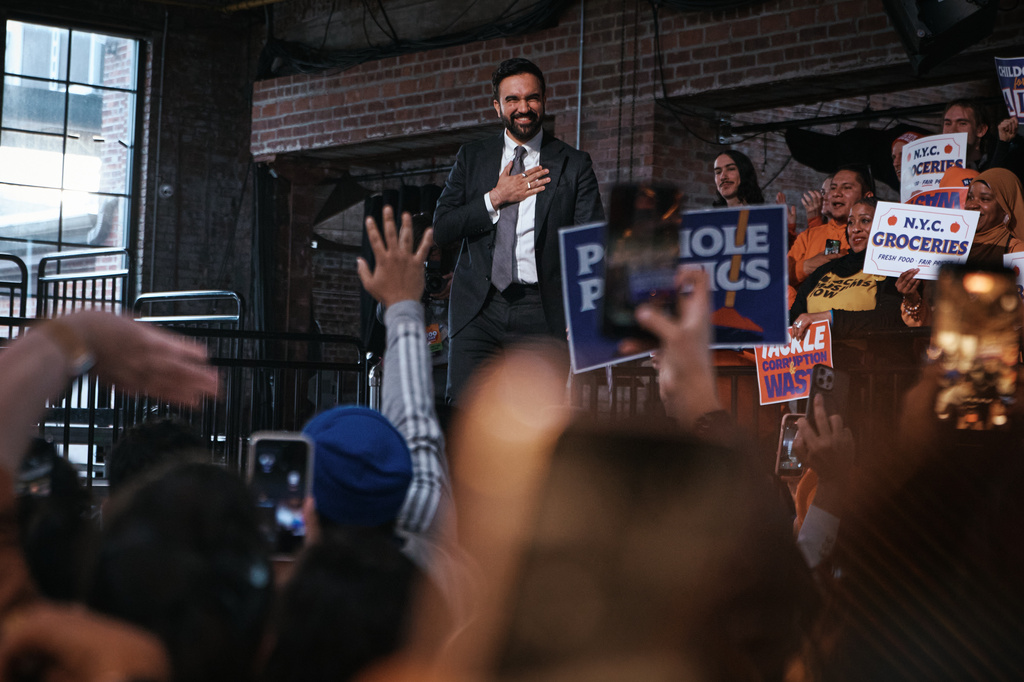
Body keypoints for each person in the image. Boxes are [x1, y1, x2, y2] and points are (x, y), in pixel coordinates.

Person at [433, 57, 604, 403]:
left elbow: (591, 243)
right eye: (512, 99)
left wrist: (584, 311)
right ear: (497, 106)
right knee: (468, 419)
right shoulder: (473, 157)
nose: (523, 108)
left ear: (544, 101)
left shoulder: (573, 163)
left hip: (542, 311)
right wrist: (495, 198)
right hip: (477, 309)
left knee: (535, 425)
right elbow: (442, 228)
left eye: (532, 98)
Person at [789, 197, 903, 340]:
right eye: (850, 222)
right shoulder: (826, 269)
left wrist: (829, 318)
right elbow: (794, 317)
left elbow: (891, 318)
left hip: (866, 358)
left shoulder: (893, 268)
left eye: (865, 220)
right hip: (814, 359)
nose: (855, 229)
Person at [787, 166, 875, 306]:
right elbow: (776, 279)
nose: (836, 194)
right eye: (833, 188)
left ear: (867, 196)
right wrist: (806, 266)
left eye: (846, 188)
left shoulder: (875, 235)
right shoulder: (809, 236)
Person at [963, 167, 1024, 267]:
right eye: (970, 197)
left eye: (985, 199)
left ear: (1005, 208)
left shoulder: (1016, 251)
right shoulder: (951, 245)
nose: (972, 205)